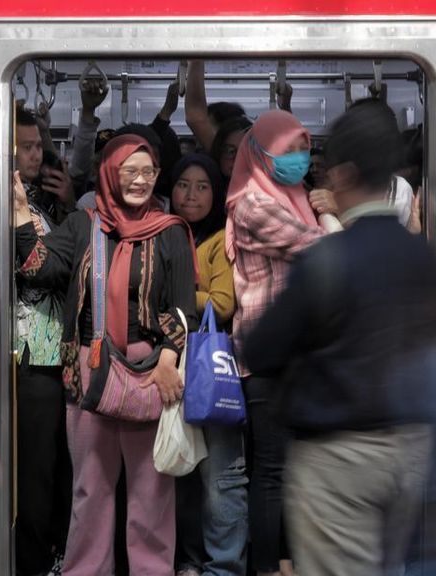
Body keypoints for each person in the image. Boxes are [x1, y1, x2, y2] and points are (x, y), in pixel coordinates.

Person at [243, 99, 436, 576]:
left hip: (339, 460)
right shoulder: (423, 257)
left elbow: (262, 348)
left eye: (329, 171)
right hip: (413, 450)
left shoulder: (329, 260)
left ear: (346, 174)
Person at [14, 134, 198, 576]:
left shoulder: (170, 231)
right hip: (89, 366)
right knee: (90, 488)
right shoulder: (83, 224)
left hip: (151, 369)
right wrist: (21, 211)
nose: (139, 181)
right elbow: (38, 266)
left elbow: (183, 307)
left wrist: (170, 360)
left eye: (148, 172)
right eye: (128, 171)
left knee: (151, 492)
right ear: (110, 174)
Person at [225, 110, 336, 576]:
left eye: (302, 149)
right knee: (271, 472)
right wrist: (332, 210)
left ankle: (290, 563)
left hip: (300, 354)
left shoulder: (295, 197)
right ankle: (269, 567)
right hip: (267, 357)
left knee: (294, 473)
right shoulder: (252, 204)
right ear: (260, 152)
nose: (297, 159)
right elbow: (322, 248)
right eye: (286, 149)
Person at [170, 154, 248, 576]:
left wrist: (172, 290)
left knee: (221, 477)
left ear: (216, 193)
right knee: (179, 471)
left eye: (202, 186)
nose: (192, 194)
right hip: (169, 371)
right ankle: (188, 561)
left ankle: (224, 566)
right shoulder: (161, 231)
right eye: (183, 184)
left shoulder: (221, 238)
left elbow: (221, 304)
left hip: (211, 368)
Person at [14, 108, 74, 575]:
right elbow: (38, 267)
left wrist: (67, 204)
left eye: (39, 146)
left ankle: (55, 551)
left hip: (57, 350)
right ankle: (35, 561)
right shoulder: (13, 204)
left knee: (57, 465)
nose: (36, 155)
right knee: (36, 471)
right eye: (26, 146)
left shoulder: (41, 201)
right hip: (30, 351)